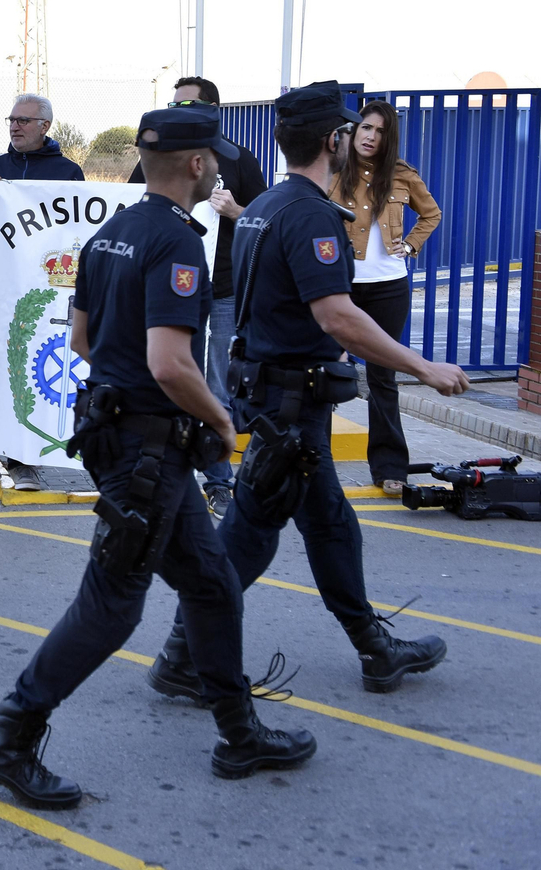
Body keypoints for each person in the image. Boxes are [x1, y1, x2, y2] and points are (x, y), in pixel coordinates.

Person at [0, 106, 314, 811]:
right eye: (213, 159)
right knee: (112, 607)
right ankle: (8, 737)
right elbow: (170, 362)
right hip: (147, 452)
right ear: (196, 165)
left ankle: (238, 732)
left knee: (211, 583)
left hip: (130, 441)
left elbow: (82, 340)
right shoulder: (178, 241)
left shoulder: (110, 234)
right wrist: (220, 420)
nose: (217, 169)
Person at [146, 82, 470, 702]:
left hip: (282, 402)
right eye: (347, 131)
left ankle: (373, 648)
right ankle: (184, 654)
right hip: (289, 408)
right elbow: (336, 316)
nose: (352, 139)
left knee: (327, 525)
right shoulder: (311, 215)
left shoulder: (266, 205)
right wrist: (422, 366)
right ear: (333, 140)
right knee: (252, 536)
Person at [127, 77, 268, 519]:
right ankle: (166, 474)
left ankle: (219, 481)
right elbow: (129, 202)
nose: (176, 111)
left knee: (217, 387)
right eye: (172, 105)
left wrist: (235, 211)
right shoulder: (163, 157)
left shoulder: (239, 159)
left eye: (185, 105)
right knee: (172, 379)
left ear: (212, 110)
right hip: (171, 292)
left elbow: (264, 222)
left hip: (223, 290)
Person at [0, 93, 83, 499]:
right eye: (11, 119)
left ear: (45, 126)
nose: (15, 126)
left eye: (23, 120)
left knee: (29, 376)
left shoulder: (67, 172)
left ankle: (25, 463)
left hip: (41, 292)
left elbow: (75, 230)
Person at [328, 100, 441, 497]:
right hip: (340, 286)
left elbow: (431, 214)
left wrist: (409, 246)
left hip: (388, 287)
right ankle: (310, 460)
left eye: (379, 131)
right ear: (354, 130)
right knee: (321, 370)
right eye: (365, 128)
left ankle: (390, 468)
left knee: (382, 377)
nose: (371, 136)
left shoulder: (402, 174)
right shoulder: (333, 170)